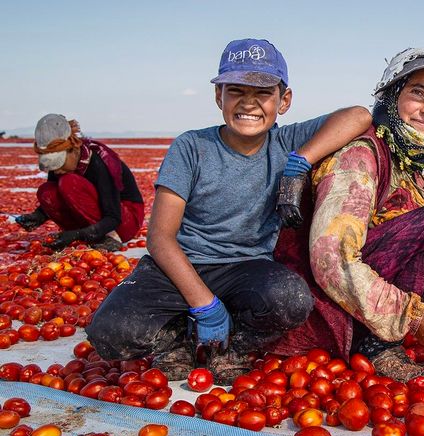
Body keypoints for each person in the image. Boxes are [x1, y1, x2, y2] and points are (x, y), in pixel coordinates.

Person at [86, 39, 371, 384]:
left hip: (244, 268)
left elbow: (359, 116)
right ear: (218, 96)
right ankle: (176, 337)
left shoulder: (285, 143)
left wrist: (301, 160)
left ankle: (233, 344)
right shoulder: (191, 147)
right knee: (110, 332)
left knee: (292, 299)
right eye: (236, 91)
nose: (249, 103)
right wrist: (204, 304)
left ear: (284, 101)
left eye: (263, 93)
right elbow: (160, 238)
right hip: (181, 264)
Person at [273, 48, 424, 381]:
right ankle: (375, 346)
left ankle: (394, 332)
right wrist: (412, 316)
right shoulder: (361, 154)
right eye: (418, 94)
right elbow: (332, 258)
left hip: (383, 295)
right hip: (333, 304)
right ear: (392, 97)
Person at [16, 114, 144, 251]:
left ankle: (109, 238)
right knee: (46, 190)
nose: (57, 171)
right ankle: (85, 234)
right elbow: (56, 198)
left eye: (60, 163)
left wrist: (78, 235)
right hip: (98, 220)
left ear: (74, 150)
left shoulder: (100, 163)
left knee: (69, 182)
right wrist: (37, 216)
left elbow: (113, 217)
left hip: (124, 220)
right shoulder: (61, 169)